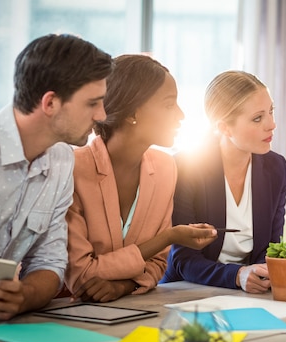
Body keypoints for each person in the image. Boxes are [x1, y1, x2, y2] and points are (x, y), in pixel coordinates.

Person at [0, 33, 114, 322]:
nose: (102, 115)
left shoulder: (61, 160)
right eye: (92, 103)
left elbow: (49, 262)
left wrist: (24, 296)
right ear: (50, 103)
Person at [64, 55, 218, 303]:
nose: (181, 115)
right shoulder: (72, 169)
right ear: (132, 112)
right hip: (70, 313)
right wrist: (167, 237)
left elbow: (158, 263)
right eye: (169, 105)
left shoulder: (166, 167)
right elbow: (83, 275)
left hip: (135, 308)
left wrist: (124, 286)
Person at [160, 70, 286, 293]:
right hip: (187, 291)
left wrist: (262, 274)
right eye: (258, 118)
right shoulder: (187, 167)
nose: (271, 125)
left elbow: (271, 248)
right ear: (223, 127)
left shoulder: (276, 168)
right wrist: (237, 276)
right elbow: (183, 260)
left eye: (271, 112)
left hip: (251, 293)